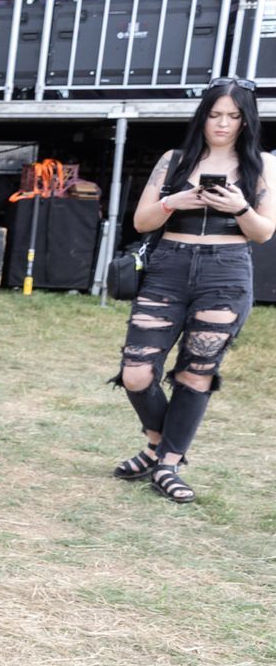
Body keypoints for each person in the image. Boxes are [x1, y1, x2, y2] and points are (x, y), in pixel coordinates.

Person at [114, 77, 276, 502]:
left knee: (196, 372)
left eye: (233, 116)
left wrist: (238, 206)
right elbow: (142, 221)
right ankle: (157, 443)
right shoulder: (175, 160)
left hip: (225, 270)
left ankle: (167, 463)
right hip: (169, 265)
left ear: (246, 121)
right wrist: (174, 202)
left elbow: (263, 233)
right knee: (137, 373)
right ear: (202, 116)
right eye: (215, 114)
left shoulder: (262, 164)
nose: (222, 124)